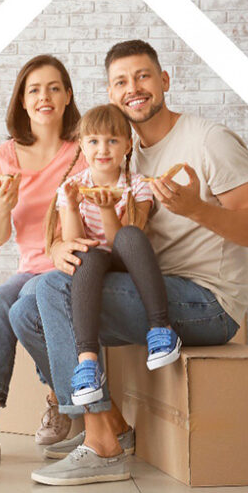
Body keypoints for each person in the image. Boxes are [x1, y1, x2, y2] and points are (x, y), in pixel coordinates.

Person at [10, 40, 248, 486]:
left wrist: (197, 209)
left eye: (143, 76)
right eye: (121, 82)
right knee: (23, 310)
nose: (133, 88)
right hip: (150, 284)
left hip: (206, 302)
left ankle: (100, 447)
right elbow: (79, 221)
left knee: (50, 290)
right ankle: (111, 423)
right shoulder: (120, 151)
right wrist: (59, 247)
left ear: (164, 81)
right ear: (111, 96)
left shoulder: (208, 140)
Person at [0, 54, 88, 466]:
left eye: (53, 87)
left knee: (29, 299)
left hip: (69, 267)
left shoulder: (84, 152)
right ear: (22, 100)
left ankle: (56, 398)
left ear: (68, 96)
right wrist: (3, 206)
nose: (43, 96)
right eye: (34, 89)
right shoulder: (3, 158)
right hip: (29, 268)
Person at [47, 104, 181, 410]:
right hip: (95, 264)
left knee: (130, 234)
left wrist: (108, 210)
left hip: (126, 258)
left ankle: (161, 329)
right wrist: (68, 204)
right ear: (81, 145)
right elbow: (73, 241)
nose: (102, 149)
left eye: (112, 141)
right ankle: (88, 363)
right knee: (87, 256)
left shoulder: (138, 186)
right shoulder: (72, 186)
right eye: (93, 141)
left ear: (127, 145)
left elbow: (123, 238)